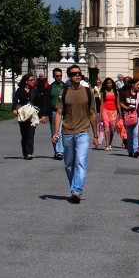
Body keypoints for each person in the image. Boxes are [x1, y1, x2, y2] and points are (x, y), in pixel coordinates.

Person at [53, 67, 99, 203]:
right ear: (69, 77)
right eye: (74, 74)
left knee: (80, 161)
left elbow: (92, 113)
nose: (77, 76)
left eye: (79, 73)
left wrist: (96, 135)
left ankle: (77, 191)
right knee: (69, 164)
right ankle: (74, 187)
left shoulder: (87, 91)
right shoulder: (63, 92)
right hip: (67, 132)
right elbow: (59, 114)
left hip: (83, 132)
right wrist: (56, 132)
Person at [13, 73, 37, 160]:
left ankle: (29, 152)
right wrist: (14, 109)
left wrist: (42, 114)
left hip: (32, 115)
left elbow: (39, 102)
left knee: (31, 134)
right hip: (22, 114)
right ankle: (25, 152)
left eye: (33, 80)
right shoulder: (19, 90)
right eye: (31, 80)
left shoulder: (34, 90)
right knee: (24, 134)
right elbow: (15, 100)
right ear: (26, 81)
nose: (33, 81)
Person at [46, 68, 64, 160]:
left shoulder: (65, 86)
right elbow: (47, 101)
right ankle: (57, 151)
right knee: (55, 131)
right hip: (54, 111)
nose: (59, 78)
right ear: (54, 76)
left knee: (62, 131)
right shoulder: (50, 87)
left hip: (64, 112)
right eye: (57, 76)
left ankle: (60, 151)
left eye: (60, 76)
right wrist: (45, 114)